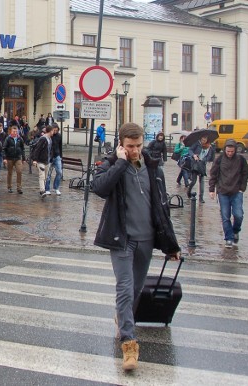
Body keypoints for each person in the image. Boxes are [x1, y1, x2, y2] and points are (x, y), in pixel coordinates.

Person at [91, 122, 180, 372]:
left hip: (147, 239)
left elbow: (161, 206)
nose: (135, 151)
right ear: (121, 144)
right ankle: (129, 343)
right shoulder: (111, 164)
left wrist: (171, 245)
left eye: (139, 145)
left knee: (136, 289)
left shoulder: (153, 166)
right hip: (122, 238)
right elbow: (99, 188)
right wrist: (120, 163)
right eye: (130, 146)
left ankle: (122, 317)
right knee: (125, 288)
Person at [208, 139, 248, 248]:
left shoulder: (240, 160)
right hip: (223, 192)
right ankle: (229, 238)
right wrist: (212, 189)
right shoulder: (220, 159)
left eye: (232, 151)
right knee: (225, 216)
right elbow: (213, 174)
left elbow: (246, 174)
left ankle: (235, 230)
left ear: (235, 150)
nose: (229, 153)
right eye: (228, 151)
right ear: (225, 150)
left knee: (238, 215)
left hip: (236, 191)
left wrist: (242, 188)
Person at [186, 134, 215, 203]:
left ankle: (201, 198)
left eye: (205, 139)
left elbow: (210, 156)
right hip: (195, 164)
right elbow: (190, 150)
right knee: (193, 181)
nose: (204, 141)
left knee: (202, 181)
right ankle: (189, 191)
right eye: (203, 139)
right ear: (200, 139)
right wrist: (194, 155)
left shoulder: (209, 146)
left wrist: (205, 159)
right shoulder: (196, 144)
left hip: (202, 165)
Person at [31, 126, 53, 198]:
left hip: (47, 161)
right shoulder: (43, 139)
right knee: (42, 176)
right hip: (40, 161)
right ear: (50, 131)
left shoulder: (50, 139)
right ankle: (42, 191)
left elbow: (50, 150)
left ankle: (43, 190)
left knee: (45, 177)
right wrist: (34, 160)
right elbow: (37, 149)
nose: (53, 132)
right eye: (53, 131)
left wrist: (51, 158)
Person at [2, 125, 26, 194]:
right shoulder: (8, 138)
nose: (15, 133)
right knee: (10, 173)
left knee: (19, 171)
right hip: (9, 158)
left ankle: (19, 188)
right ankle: (9, 187)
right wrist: (4, 158)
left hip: (18, 158)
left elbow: (23, 149)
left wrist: (23, 158)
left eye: (16, 131)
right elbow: (4, 148)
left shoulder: (20, 139)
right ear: (11, 132)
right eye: (13, 131)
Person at [45, 123, 63, 195]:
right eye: (54, 130)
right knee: (48, 174)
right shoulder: (49, 136)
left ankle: (56, 187)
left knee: (59, 172)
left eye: (56, 130)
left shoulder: (59, 136)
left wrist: (60, 156)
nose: (55, 132)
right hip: (49, 157)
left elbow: (60, 146)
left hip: (57, 155)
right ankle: (47, 189)